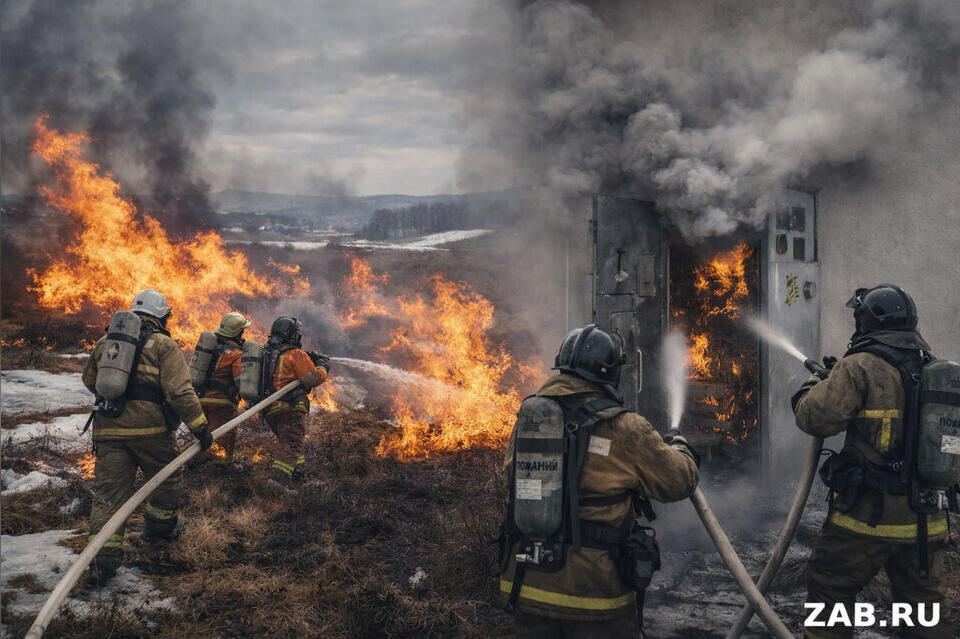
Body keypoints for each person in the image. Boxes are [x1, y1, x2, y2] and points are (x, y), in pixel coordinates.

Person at [498, 324, 700, 638]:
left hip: (527, 585)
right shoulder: (626, 427)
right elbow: (678, 481)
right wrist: (681, 447)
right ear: (611, 374)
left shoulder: (531, 418)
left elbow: (509, 479)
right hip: (593, 596)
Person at [792, 285, 954, 639]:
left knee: (829, 591)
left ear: (865, 321)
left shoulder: (859, 365)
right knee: (924, 613)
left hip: (867, 519)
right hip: (926, 521)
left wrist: (811, 387)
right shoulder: (932, 367)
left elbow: (815, 419)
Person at [82, 289, 213, 587]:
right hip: (151, 432)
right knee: (165, 478)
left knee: (108, 496)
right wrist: (200, 428)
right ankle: (159, 529)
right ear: (161, 317)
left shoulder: (106, 342)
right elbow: (180, 392)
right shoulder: (163, 345)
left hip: (108, 431)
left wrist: (120, 397)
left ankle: (102, 562)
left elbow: (90, 380)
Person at [259, 316, 329, 485]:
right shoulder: (295, 354)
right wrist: (322, 366)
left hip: (270, 410)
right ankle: (276, 482)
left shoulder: (266, 354)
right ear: (291, 334)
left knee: (291, 444)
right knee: (292, 446)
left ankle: (297, 476)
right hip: (289, 408)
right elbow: (312, 379)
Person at [196, 312, 251, 463]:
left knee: (203, 439)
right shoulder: (236, 355)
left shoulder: (210, 349)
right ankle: (216, 471)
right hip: (222, 405)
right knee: (221, 443)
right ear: (238, 332)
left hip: (201, 402)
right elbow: (241, 383)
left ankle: (196, 468)